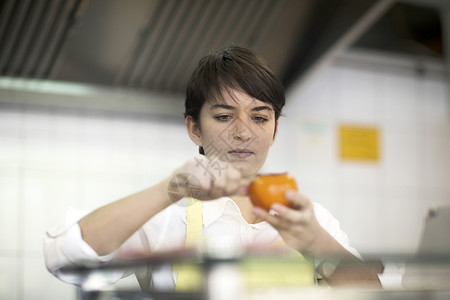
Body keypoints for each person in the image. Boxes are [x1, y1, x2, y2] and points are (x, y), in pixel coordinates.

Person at [44, 45, 382, 291]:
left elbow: (373, 293)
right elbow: (65, 257)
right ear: (194, 129)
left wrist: (315, 240)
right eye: (223, 116)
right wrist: (168, 190)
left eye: (260, 117)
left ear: (274, 130)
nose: (243, 131)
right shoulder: (166, 216)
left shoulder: (309, 217)